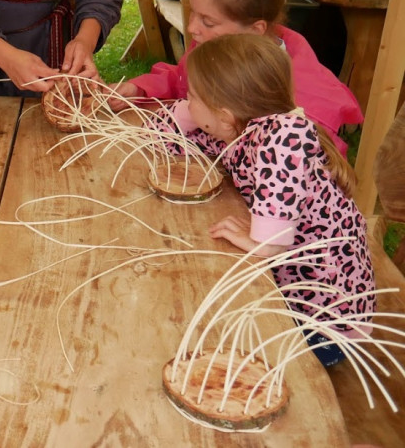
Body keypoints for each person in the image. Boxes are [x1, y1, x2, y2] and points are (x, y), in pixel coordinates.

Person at [148, 33, 375, 366]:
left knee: (222, 351)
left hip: (325, 321)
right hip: (287, 294)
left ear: (224, 114)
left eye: (191, 96)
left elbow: (290, 138)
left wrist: (264, 240)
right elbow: (163, 143)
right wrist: (186, 113)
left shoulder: (283, 135)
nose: (184, 100)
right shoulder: (236, 133)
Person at [111, 0, 363, 155]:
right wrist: (140, 89)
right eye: (192, 13)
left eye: (208, 22)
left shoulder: (299, 104)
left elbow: (300, 180)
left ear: (255, 30)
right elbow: (183, 79)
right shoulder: (215, 48)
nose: (192, 28)